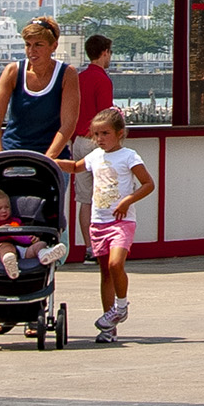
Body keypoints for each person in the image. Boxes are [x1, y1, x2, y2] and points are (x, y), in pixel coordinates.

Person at [54, 106, 153, 344]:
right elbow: (76, 167)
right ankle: (109, 327)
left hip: (121, 221)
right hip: (98, 223)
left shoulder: (129, 156)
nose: (100, 139)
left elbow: (148, 184)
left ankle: (121, 305)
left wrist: (128, 200)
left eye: (105, 133)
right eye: (96, 134)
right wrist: (51, 161)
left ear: (119, 133)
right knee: (105, 273)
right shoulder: (94, 157)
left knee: (116, 263)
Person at [0, 16, 81, 159]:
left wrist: (48, 159)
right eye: (28, 45)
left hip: (52, 154)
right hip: (13, 152)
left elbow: (68, 123)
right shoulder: (13, 71)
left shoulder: (67, 74)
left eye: (38, 45)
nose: (32, 50)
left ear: (53, 46)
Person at [67, 34, 118, 261]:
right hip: (96, 144)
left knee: (85, 199)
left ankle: (89, 248)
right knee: (104, 196)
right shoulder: (103, 80)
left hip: (78, 141)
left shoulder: (79, 78)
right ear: (104, 52)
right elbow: (105, 118)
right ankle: (103, 246)